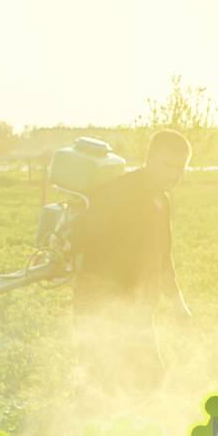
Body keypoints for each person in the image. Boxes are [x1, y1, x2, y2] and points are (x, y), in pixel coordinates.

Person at [68, 129, 193, 401]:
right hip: (102, 304)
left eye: (178, 168)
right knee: (97, 381)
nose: (172, 174)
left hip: (137, 309)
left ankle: (121, 434)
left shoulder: (162, 200)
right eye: (167, 165)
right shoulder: (122, 191)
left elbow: (163, 256)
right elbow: (82, 231)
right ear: (148, 158)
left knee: (147, 380)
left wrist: (178, 303)